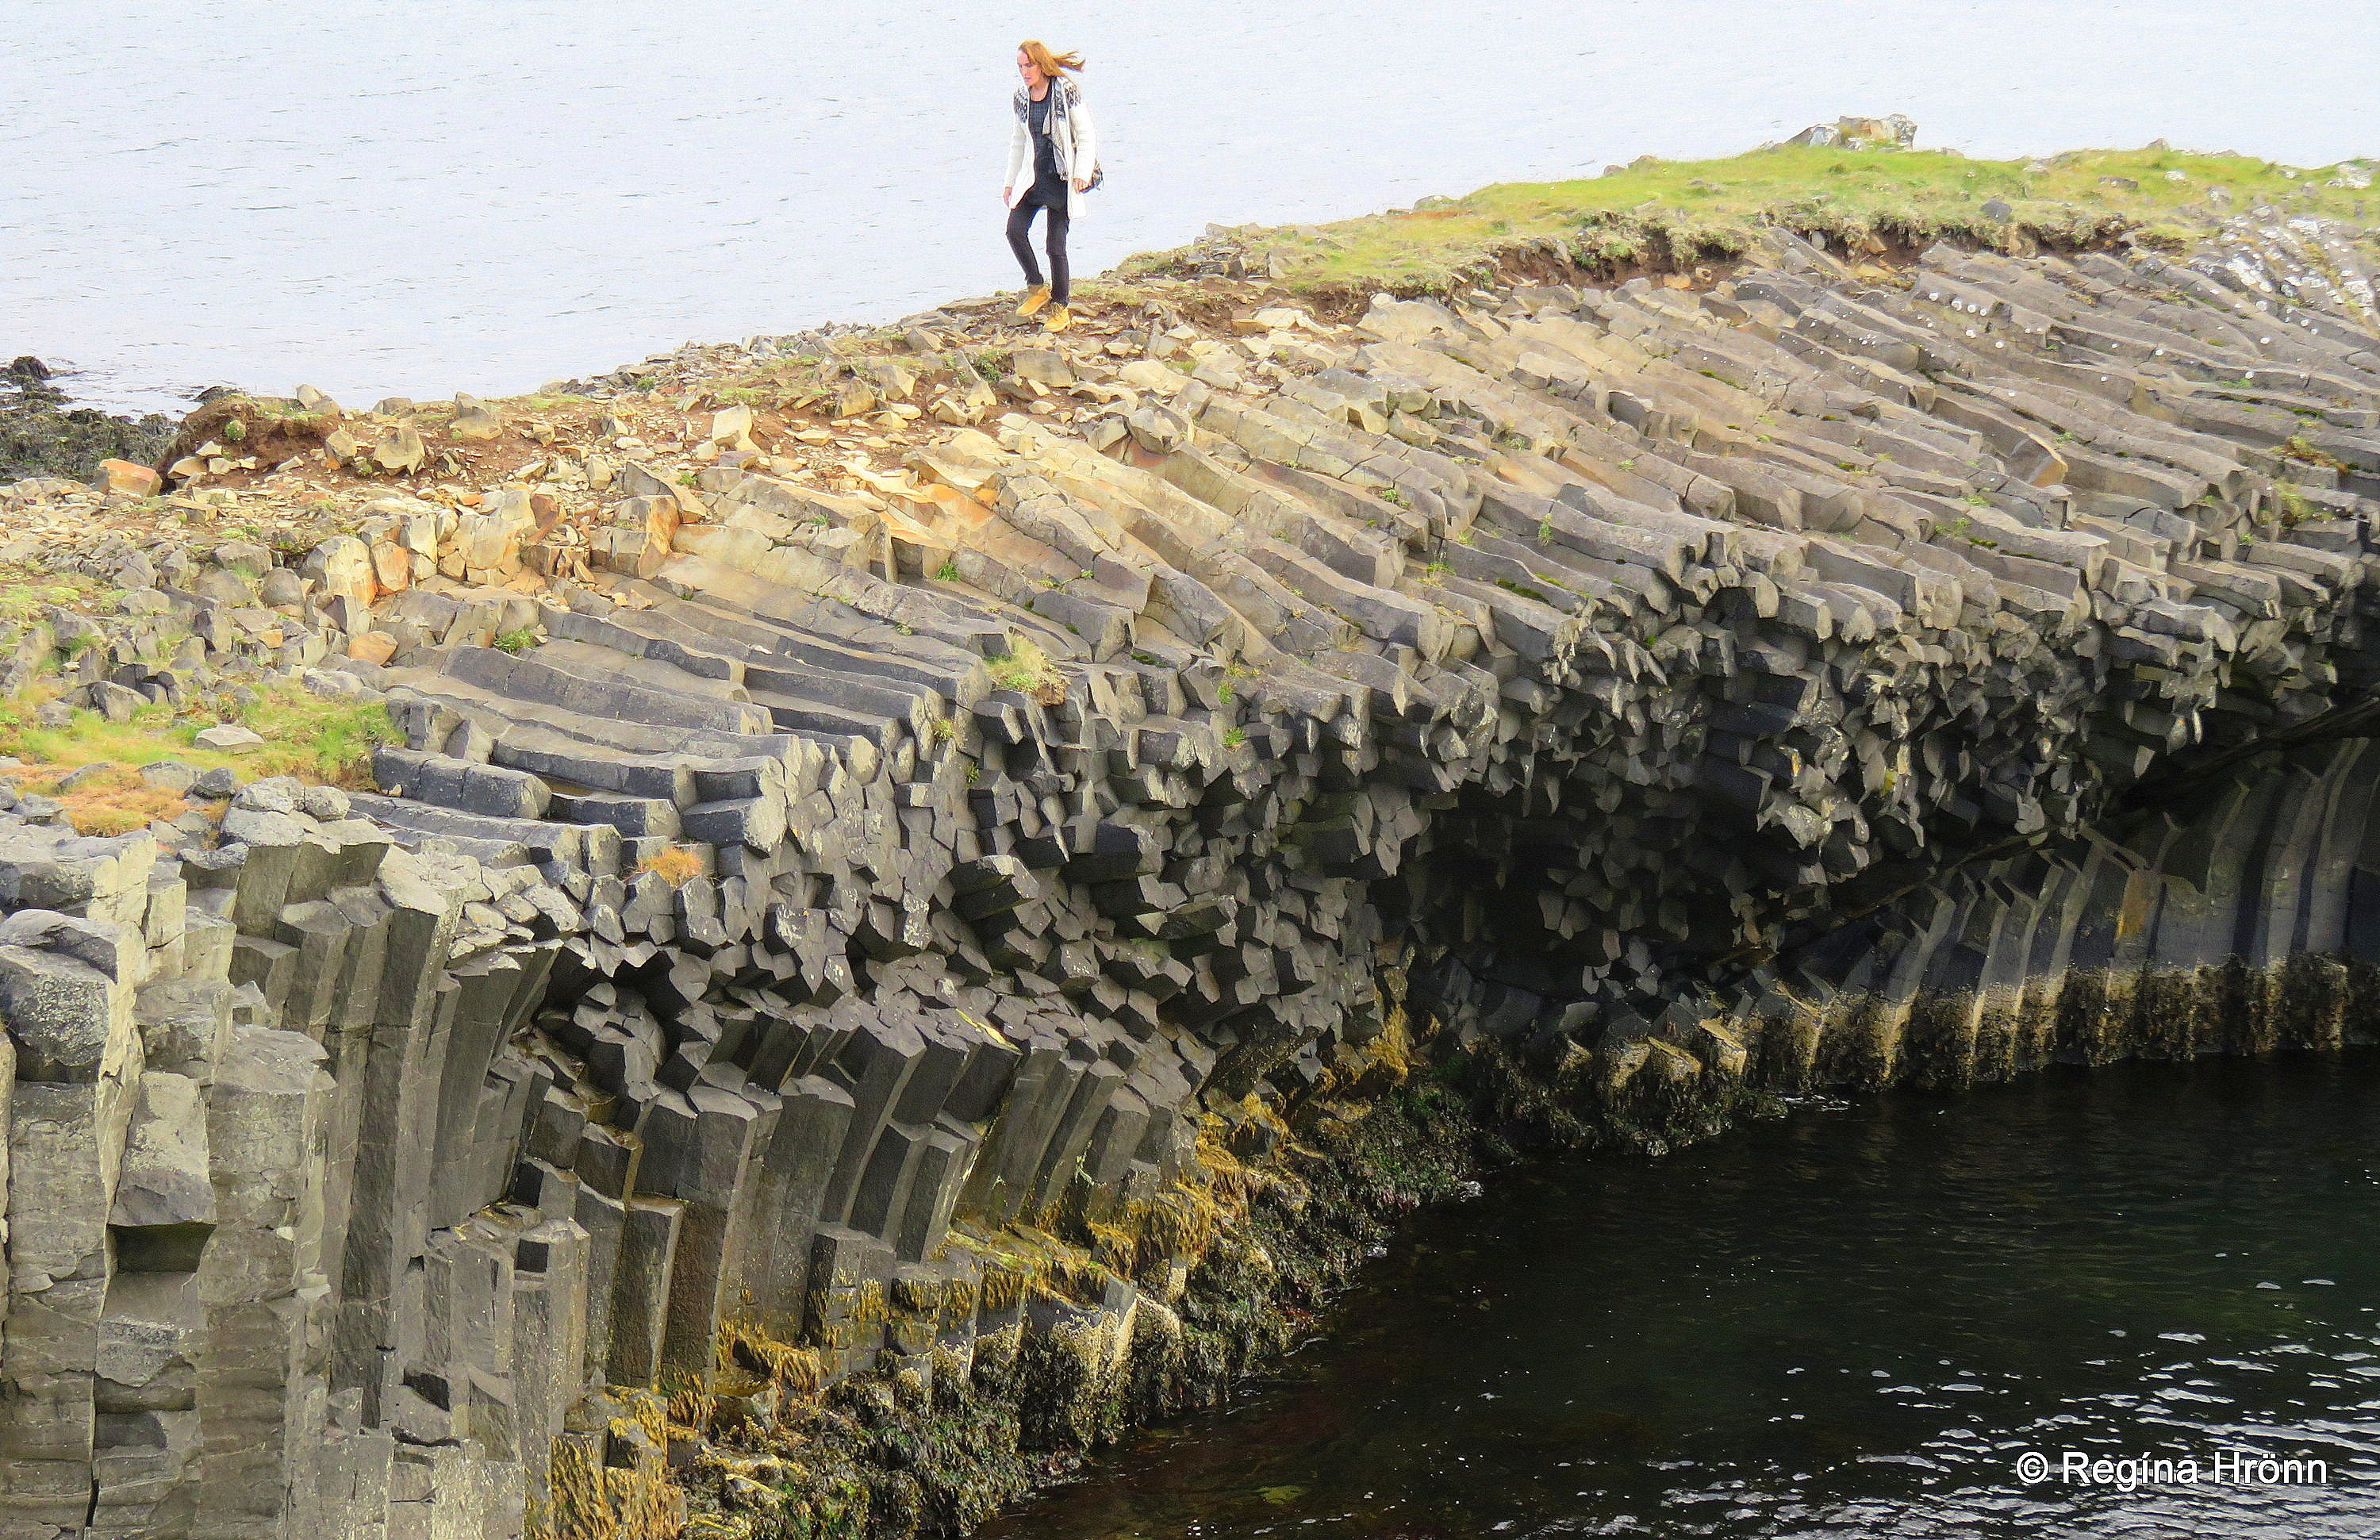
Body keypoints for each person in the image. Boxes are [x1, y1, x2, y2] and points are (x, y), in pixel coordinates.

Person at [1003, 40, 1098, 334]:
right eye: (1020, 67)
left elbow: (1086, 136)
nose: (1024, 72)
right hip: (1033, 178)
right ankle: (1036, 287)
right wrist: (1009, 182)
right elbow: (1019, 142)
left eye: (1028, 66)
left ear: (1041, 64)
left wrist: (1081, 173)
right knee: (1014, 231)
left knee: (1055, 246)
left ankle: (1060, 306)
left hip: (1062, 179)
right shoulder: (1021, 97)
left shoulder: (1064, 91)